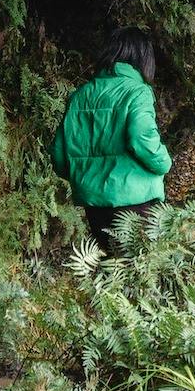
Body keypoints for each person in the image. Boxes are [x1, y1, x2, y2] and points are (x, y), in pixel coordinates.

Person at [50, 29, 175, 256]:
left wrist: (84, 175)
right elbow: (142, 139)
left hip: (94, 202)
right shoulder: (138, 92)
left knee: (112, 267)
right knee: (141, 270)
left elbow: (59, 153)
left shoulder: (81, 94)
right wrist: (165, 163)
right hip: (136, 198)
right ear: (143, 58)